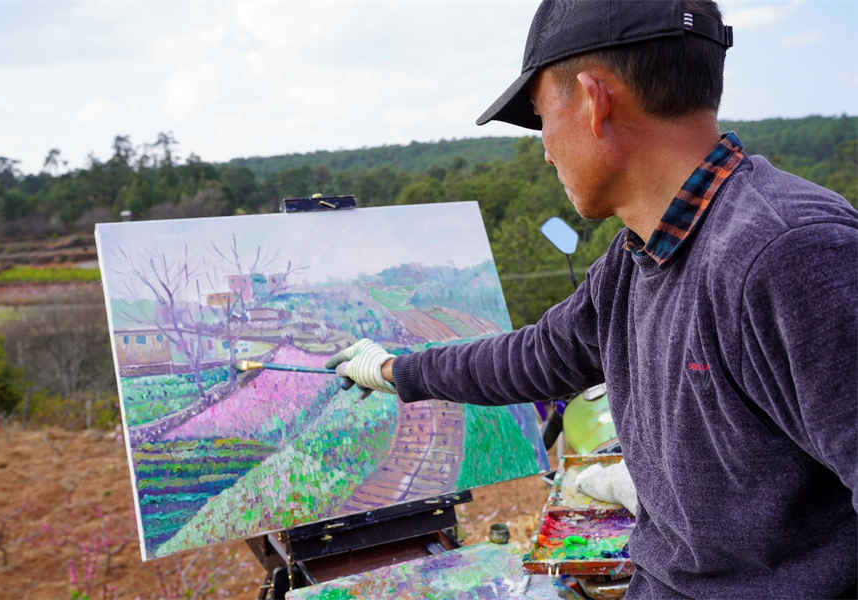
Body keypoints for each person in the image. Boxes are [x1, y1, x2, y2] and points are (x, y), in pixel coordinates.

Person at [326, 0, 858, 597]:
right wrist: (396, 370)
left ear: (591, 99)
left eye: (540, 119)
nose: (547, 151)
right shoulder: (639, 254)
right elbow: (532, 357)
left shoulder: (791, 256)